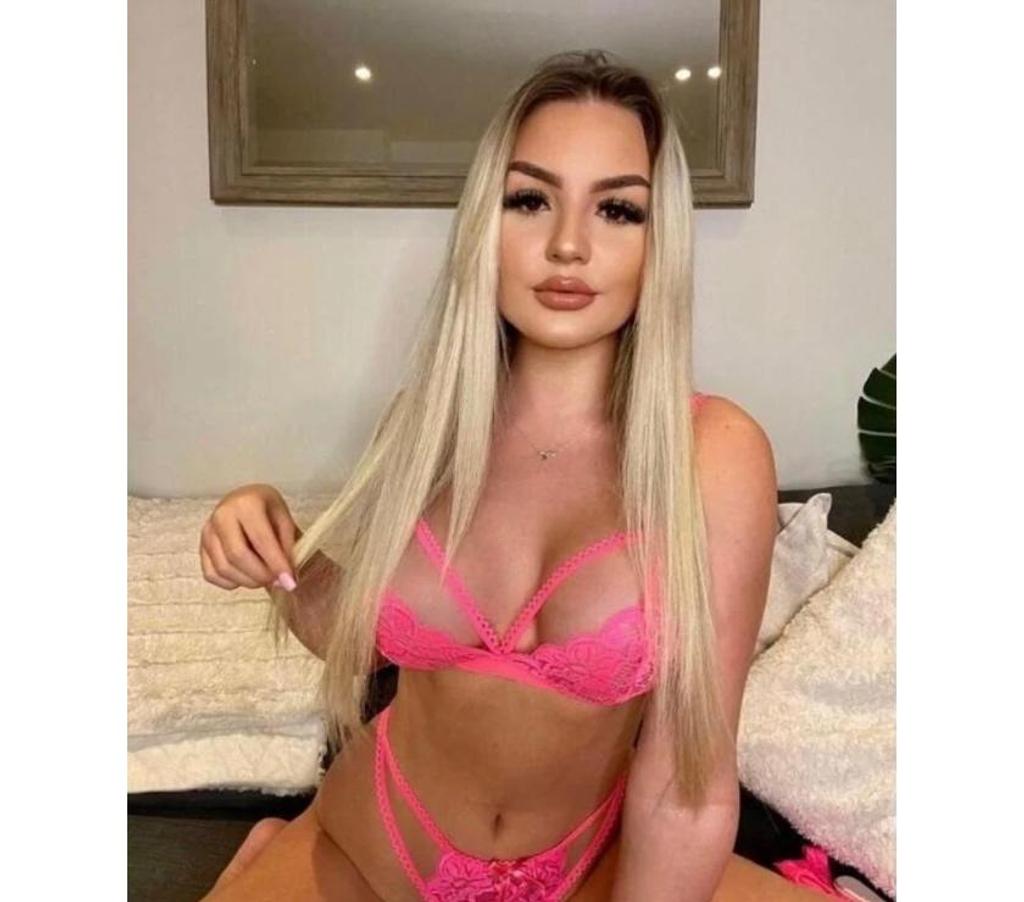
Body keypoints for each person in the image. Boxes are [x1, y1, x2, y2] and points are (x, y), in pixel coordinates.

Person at [198, 50, 782, 902]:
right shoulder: (427, 421)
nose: (569, 245)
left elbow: (687, 783)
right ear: (486, 222)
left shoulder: (715, 454)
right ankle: (271, 847)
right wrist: (273, 548)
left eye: (618, 209)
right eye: (530, 200)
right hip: (365, 845)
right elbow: (353, 635)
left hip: (586, 871)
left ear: (661, 243)